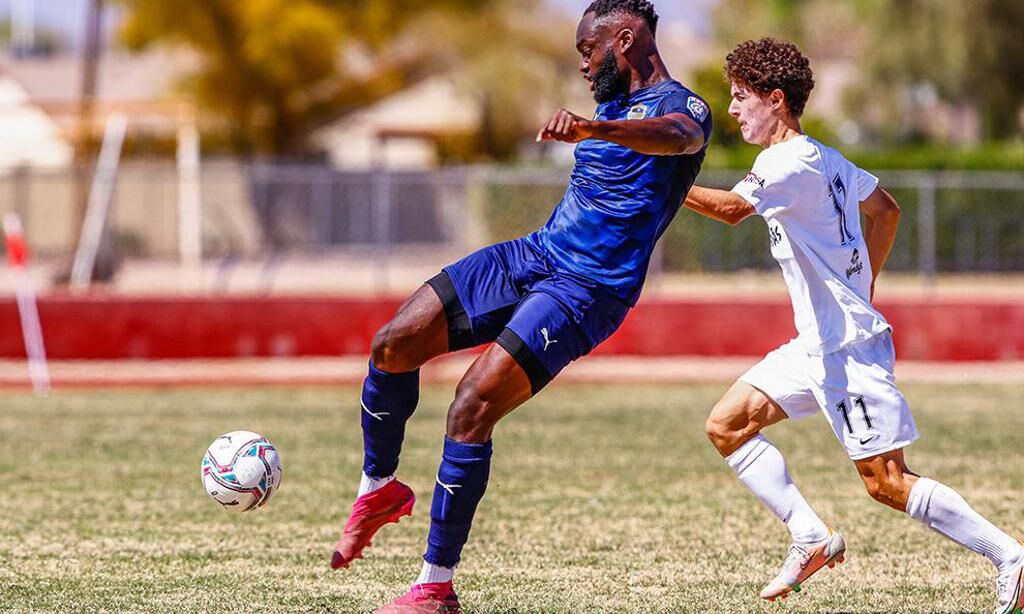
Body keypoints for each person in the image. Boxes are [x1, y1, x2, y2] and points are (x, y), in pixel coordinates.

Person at [330, 1, 713, 612]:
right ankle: (378, 488)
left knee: (470, 404)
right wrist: (598, 124)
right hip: (535, 254)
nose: (584, 67)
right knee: (394, 342)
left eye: (588, 51)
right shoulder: (612, 106)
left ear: (625, 37)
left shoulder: (681, 107)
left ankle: (435, 587)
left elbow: (678, 140)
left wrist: (593, 129)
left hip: (588, 290)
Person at [684, 37, 1024, 613]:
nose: (734, 109)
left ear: (776, 98)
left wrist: (652, 182)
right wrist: (866, 283)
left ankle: (1011, 558)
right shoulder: (827, 157)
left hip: (846, 349)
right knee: (727, 425)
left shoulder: (783, 161)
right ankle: (810, 537)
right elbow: (886, 208)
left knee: (887, 482)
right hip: (817, 345)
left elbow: (730, 210)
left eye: (741, 97)